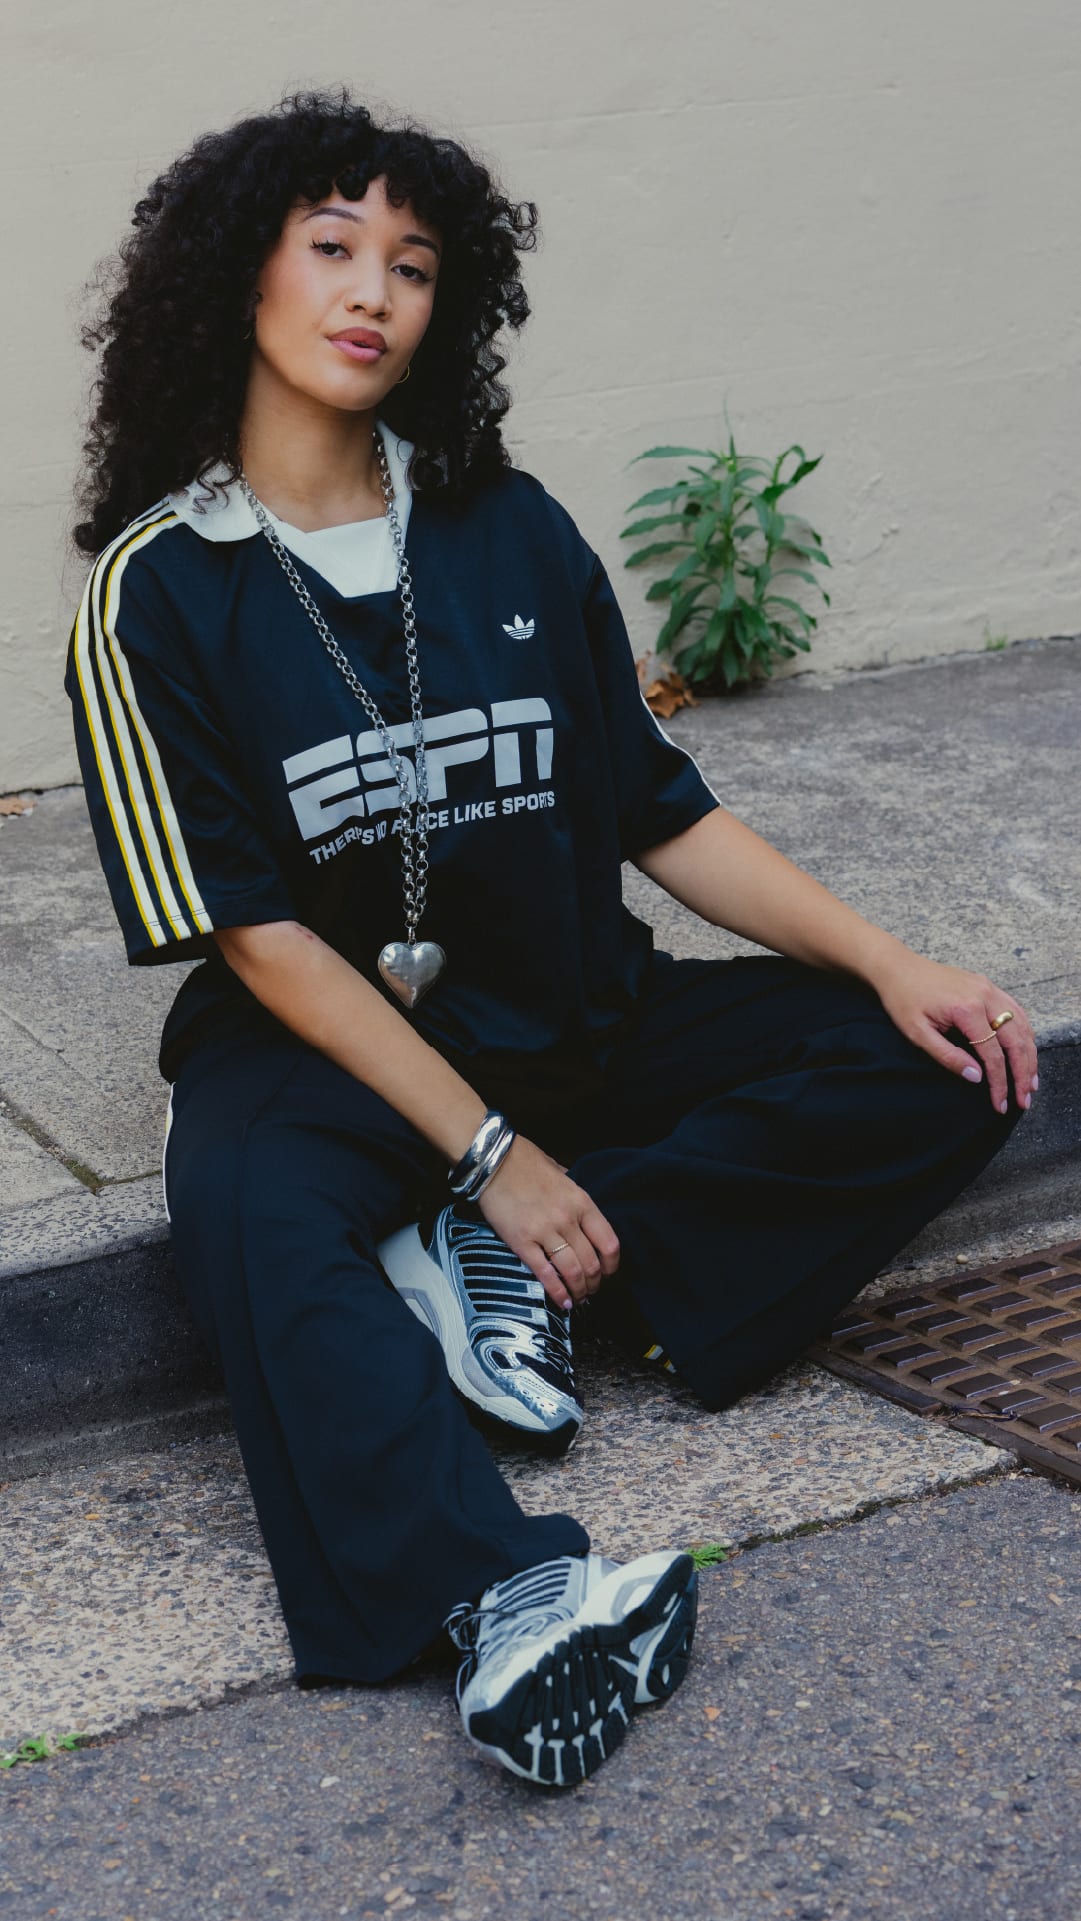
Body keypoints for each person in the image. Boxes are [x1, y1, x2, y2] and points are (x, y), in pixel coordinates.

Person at [65, 87, 1036, 1790]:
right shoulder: (158, 590)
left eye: (416, 264)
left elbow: (660, 811)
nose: (375, 290)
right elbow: (256, 939)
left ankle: (550, 1263)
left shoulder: (500, 527)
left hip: (575, 1010)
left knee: (949, 1059)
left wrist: (893, 961)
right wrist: (489, 1148)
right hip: (327, 1059)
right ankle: (506, 1590)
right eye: (332, 246)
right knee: (242, 1216)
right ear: (239, 280)